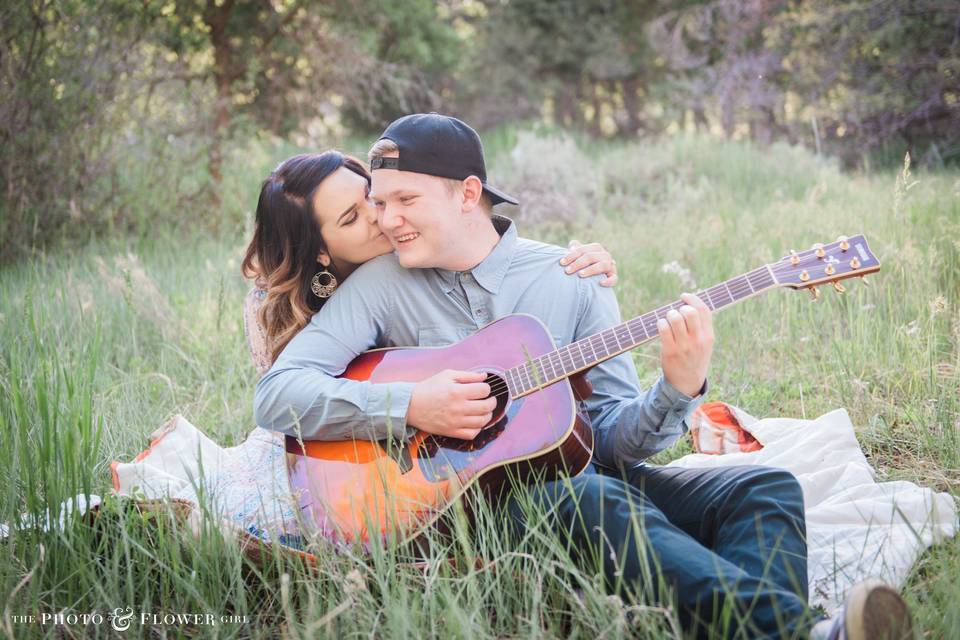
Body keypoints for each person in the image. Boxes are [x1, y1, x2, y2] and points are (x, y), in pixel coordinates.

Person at [253, 114, 915, 639]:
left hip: (582, 474)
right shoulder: (376, 286)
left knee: (763, 488)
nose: (385, 220)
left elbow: (614, 446)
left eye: (402, 200)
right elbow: (278, 393)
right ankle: (801, 633)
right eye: (374, 206)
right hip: (468, 502)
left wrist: (677, 389)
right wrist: (412, 404)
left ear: (468, 194)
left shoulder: (572, 277)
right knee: (592, 499)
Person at [112, 149, 620, 549]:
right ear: (321, 250)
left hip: (446, 452)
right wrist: (412, 405)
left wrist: (571, 264)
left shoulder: (417, 249)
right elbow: (285, 401)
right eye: (353, 219)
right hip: (335, 453)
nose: (383, 220)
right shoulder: (285, 308)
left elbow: (481, 256)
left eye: (374, 199)